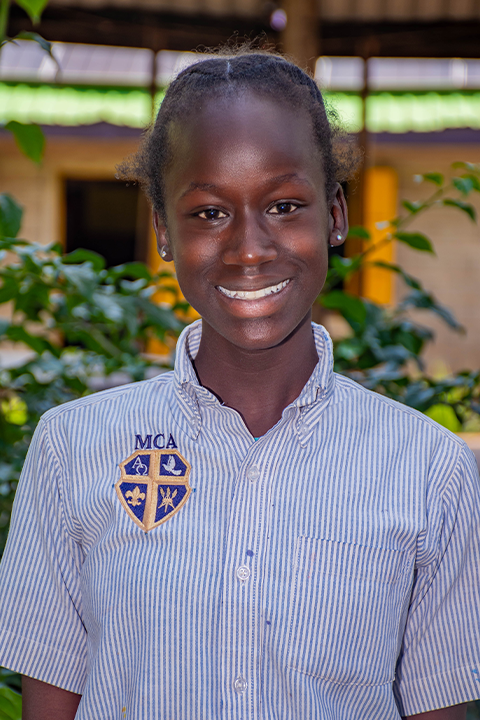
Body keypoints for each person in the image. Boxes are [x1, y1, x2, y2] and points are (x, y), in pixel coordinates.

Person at [0, 49, 479, 720]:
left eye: (284, 205)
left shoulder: (430, 472)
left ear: (334, 215)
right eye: (208, 213)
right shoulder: (72, 449)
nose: (250, 247)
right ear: (162, 230)